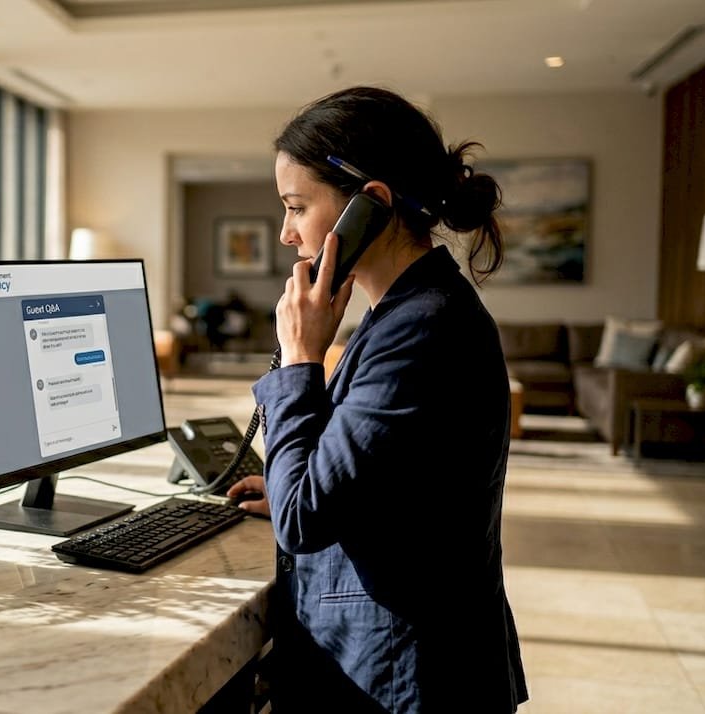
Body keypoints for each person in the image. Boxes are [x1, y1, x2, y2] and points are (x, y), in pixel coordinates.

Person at [224, 86, 528, 712]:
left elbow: (304, 520)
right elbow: (377, 482)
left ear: (371, 205)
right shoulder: (406, 314)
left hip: (403, 679)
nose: (285, 233)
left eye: (296, 207)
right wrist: (289, 486)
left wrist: (301, 359)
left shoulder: (423, 329)